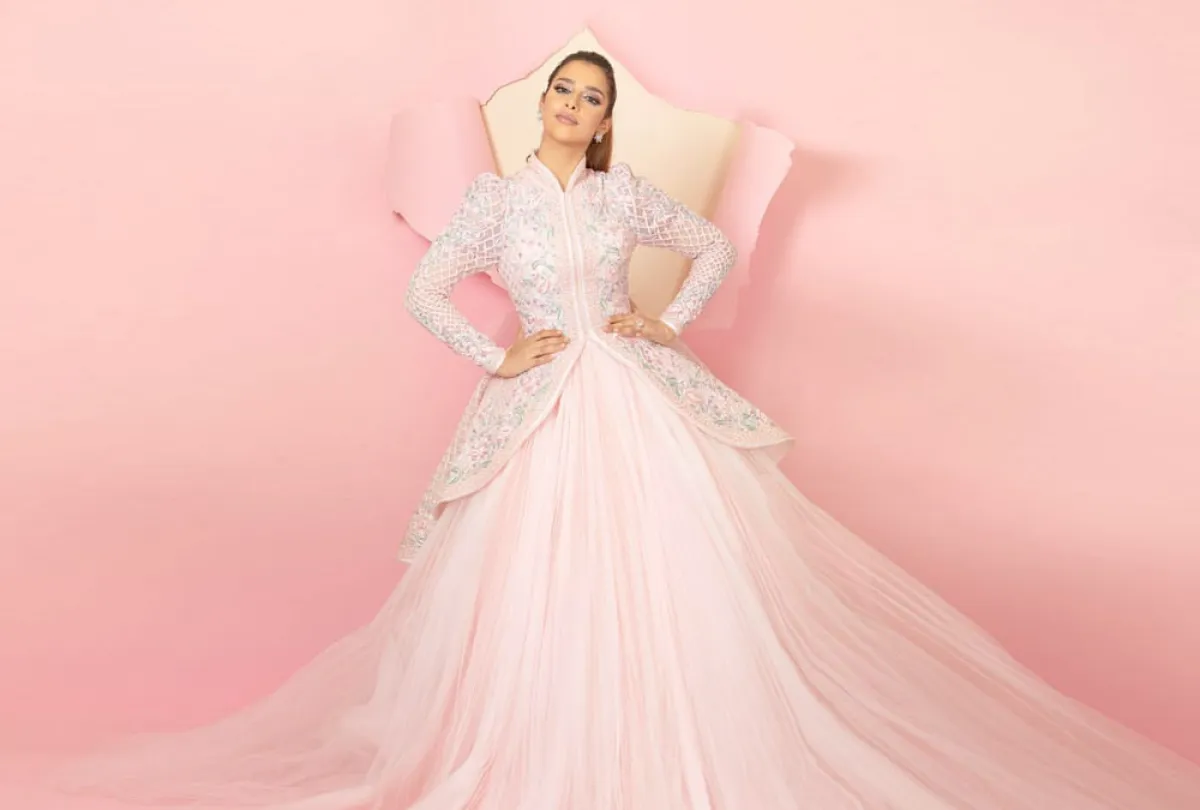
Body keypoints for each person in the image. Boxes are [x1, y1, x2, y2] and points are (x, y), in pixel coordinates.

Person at [55, 50, 1200, 809]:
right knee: (528, 575)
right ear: (542, 106)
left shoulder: (621, 194)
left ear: (606, 121)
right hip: (542, 395)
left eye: (591, 98)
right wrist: (496, 354)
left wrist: (665, 320)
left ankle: (685, 733)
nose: (573, 106)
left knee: (679, 557)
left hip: (632, 384)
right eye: (562, 91)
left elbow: (713, 246)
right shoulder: (495, 202)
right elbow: (425, 291)